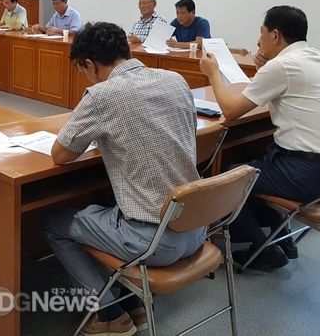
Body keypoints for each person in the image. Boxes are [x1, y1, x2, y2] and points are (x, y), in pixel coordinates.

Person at [43, 22, 204, 336]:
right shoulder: (176, 79)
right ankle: (136, 304)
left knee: (52, 222)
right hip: (195, 227)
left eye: (83, 70)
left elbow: (60, 154)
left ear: (89, 64)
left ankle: (108, 315)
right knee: (105, 203)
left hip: (154, 242)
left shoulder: (103, 94)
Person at [199, 5, 320, 270]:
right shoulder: (317, 57)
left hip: (305, 174)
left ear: (275, 35)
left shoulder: (282, 66)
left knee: (229, 179)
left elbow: (231, 111)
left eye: (261, 32)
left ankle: (265, 249)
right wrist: (266, 67)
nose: (258, 40)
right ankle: (281, 237)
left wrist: (213, 73)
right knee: (249, 165)